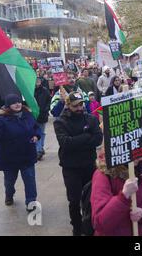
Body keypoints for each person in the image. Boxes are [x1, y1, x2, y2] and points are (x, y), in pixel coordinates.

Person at [53, 91, 103, 236]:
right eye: (76, 106)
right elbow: (65, 143)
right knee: (74, 201)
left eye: (81, 104)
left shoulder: (90, 119)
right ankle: (76, 227)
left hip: (89, 164)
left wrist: (78, 140)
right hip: (71, 167)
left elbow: (98, 139)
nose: (80, 108)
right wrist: (87, 136)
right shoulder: (60, 122)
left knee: (92, 198)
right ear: (68, 105)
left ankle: (90, 224)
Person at [0, 94, 40, 210]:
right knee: (9, 181)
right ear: (8, 105)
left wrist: (36, 135)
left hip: (27, 155)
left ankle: (31, 202)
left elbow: (36, 127)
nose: (17, 104)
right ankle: (9, 194)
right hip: (9, 157)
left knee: (30, 180)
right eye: (14, 103)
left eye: (19, 102)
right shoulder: (1, 119)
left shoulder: (27, 114)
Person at [90, 152, 142, 236]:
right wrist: (124, 196)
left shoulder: (139, 170)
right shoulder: (102, 175)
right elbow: (100, 223)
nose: (140, 158)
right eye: (133, 150)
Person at [34, 77, 51, 161]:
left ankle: (40, 148)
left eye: (38, 81)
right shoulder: (30, 91)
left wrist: (46, 109)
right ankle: (39, 149)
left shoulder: (45, 90)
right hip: (33, 115)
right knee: (36, 132)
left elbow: (49, 100)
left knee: (41, 132)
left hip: (42, 114)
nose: (37, 82)